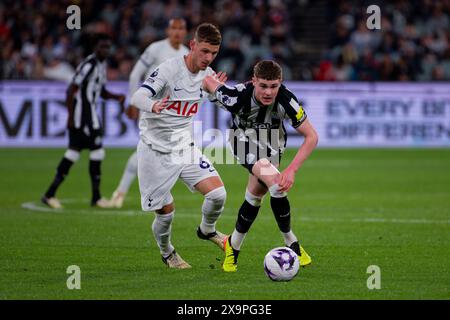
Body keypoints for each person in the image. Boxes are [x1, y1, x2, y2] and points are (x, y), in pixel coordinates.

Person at [202, 60, 319, 272]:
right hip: (242, 141)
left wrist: (291, 169)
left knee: (255, 197)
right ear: (253, 81)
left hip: (273, 142)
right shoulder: (236, 97)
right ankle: (292, 244)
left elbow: (311, 136)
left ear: (280, 83)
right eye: (263, 85)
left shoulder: (287, 100)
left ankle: (233, 246)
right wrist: (211, 87)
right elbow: (207, 80)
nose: (268, 92)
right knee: (276, 184)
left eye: (273, 86)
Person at [130, 23, 228, 269]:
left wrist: (220, 93)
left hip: (184, 145)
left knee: (218, 194)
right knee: (166, 212)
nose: (208, 58)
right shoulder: (169, 70)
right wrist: (153, 106)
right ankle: (167, 252)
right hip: (155, 150)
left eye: (214, 53)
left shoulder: (208, 75)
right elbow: (138, 97)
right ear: (193, 45)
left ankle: (207, 230)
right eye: (204, 51)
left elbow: (217, 99)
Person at [108, 18, 189, 208]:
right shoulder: (156, 48)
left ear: (185, 32)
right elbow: (135, 74)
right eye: (174, 28)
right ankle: (120, 193)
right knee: (148, 147)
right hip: (150, 107)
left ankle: (130, 192)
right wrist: (133, 101)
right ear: (168, 30)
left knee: (157, 151)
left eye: (181, 29)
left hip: (171, 112)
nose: (177, 32)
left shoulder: (186, 54)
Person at [41, 33, 125, 209]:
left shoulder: (102, 65)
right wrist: (71, 117)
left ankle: (50, 194)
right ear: (95, 48)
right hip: (82, 116)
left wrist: (116, 96)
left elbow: (100, 91)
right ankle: (94, 197)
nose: (105, 50)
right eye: (102, 46)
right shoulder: (89, 64)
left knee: (74, 153)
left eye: (108, 47)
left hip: (89, 114)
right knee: (95, 151)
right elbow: (71, 89)